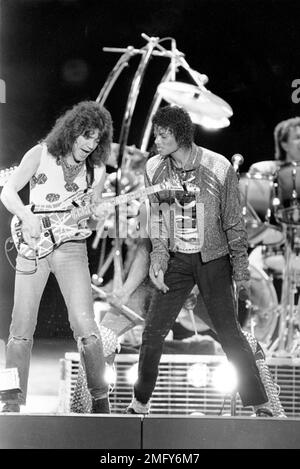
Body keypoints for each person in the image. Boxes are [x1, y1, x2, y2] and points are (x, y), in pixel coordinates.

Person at [124, 105, 273, 417]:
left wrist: (241, 268)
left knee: (229, 331)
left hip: (213, 260)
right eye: (156, 134)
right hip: (177, 260)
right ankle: (139, 403)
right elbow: (158, 219)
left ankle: (260, 403)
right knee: (152, 332)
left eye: (163, 135)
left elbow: (234, 222)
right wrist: (159, 259)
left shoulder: (218, 167)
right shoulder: (154, 167)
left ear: (179, 135)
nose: (156, 140)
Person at [0, 100, 113, 413]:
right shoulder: (41, 153)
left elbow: (91, 216)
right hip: (33, 243)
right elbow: (7, 191)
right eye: (86, 135)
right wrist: (26, 214)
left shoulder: (98, 170)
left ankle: (100, 400)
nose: (91, 144)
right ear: (73, 131)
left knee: (85, 326)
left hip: (71, 246)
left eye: (97, 139)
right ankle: (10, 400)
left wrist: (99, 213)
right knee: (19, 329)